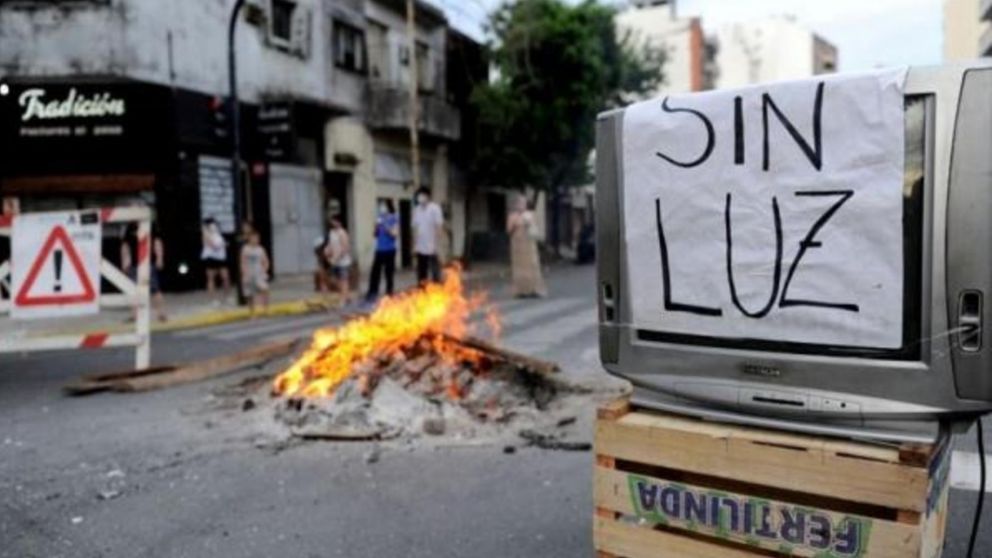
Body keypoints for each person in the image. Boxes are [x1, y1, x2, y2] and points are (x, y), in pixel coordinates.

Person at [121, 223, 167, 322]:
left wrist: (159, 258)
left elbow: (157, 242)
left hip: (149, 262)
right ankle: (134, 315)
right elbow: (125, 245)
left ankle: (161, 314)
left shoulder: (150, 225)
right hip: (134, 264)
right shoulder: (130, 227)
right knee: (132, 290)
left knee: (155, 289)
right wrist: (125, 261)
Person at [507, 194, 547, 298]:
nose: (521, 205)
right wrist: (515, 224)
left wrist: (528, 223)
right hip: (517, 245)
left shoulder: (530, 214)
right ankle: (521, 291)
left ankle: (535, 290)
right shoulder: (512, 216)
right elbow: (509, 230)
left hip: (529, 244)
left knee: (532, 266)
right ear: (516, 205)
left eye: (523, 203)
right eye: (519, 203)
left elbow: (535, 228)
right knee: (519, 268)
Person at [365, 199, 398, 302]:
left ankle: (389, 293)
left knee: (389, 272)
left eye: (384, 206)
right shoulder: (379, 218)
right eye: (380, 206)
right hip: (379, 249)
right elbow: (375, 235)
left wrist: (385, 225)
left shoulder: (394, 218)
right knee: (375, 272)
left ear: (389, 207)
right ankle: (372, 292)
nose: (382, 208)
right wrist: (376, 226)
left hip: (390, 250)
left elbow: (394, 234)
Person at [411, 187, 444, 284]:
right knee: (421, 273)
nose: (419, 198)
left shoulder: (435, 208)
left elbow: (439, 227)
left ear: (427, 196)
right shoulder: (416, 210)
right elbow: (415, 228)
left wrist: (438, 245)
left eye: (421, 195)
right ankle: (422, 292)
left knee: (435, 273)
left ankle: (437, 292)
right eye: (418, 196)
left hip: (432, 247)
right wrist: (414, 245)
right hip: (420, 247)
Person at [240, 230, 270, 318]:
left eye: (257, 238)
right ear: (249, 239)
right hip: (249, 273)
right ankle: (252, 313)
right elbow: (243, 262)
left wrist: (264, 270)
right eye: (254, 238)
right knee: (250, 294)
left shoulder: (260, 249)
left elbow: (266, 261)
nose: (256, 240)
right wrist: (244, 273)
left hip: (258, 273)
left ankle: (265, 309)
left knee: (265, 289)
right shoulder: (245, 249)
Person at [324, 217, 354, 306]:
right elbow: (330, 244)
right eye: (332, 221)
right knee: (336, 280)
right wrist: (327, 250)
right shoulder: (331, 233)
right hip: (334, 261)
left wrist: (337, 257)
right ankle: (347, 297)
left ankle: (343, 299)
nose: (333, 223)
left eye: (335, 221)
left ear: (339, 223)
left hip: (343, 262)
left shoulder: (342, 233)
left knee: (343, 280)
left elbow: (345, 248)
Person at [201, 218, 230, 305]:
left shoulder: (218, 233)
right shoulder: (205, 232)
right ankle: (213, 299)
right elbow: (211, 244)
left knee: (225, 277)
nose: (213, 227)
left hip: (221, 257)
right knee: (211, 278)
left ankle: (226, 297)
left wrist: (223, 244)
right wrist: (221, 244)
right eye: (211, 225)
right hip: (211, 257)